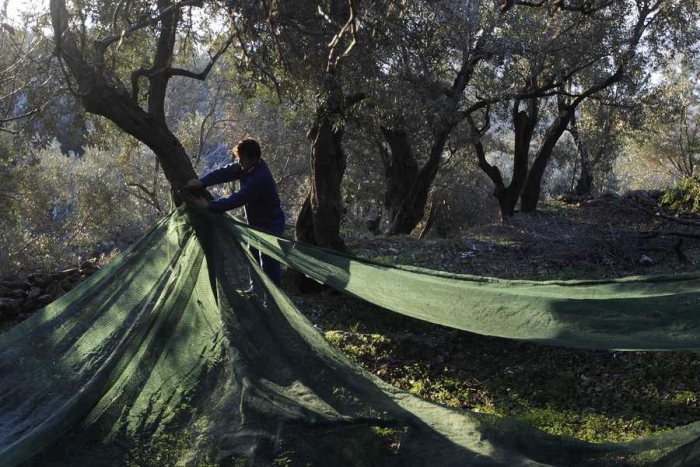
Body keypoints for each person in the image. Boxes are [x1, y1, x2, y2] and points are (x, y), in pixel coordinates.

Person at [186, 138, 285, 286]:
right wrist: (202, 182)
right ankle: (256, 295)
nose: (239, 163)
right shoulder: (246, 166)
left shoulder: (259, 178)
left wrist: (209, 205)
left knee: (269, 267)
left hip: (271, 227)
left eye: (242, 159)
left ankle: (274, 304)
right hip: (254, 225)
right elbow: (224, 172)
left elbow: (237, 199)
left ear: (254, 159)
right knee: (254, 261)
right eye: (238, 159)